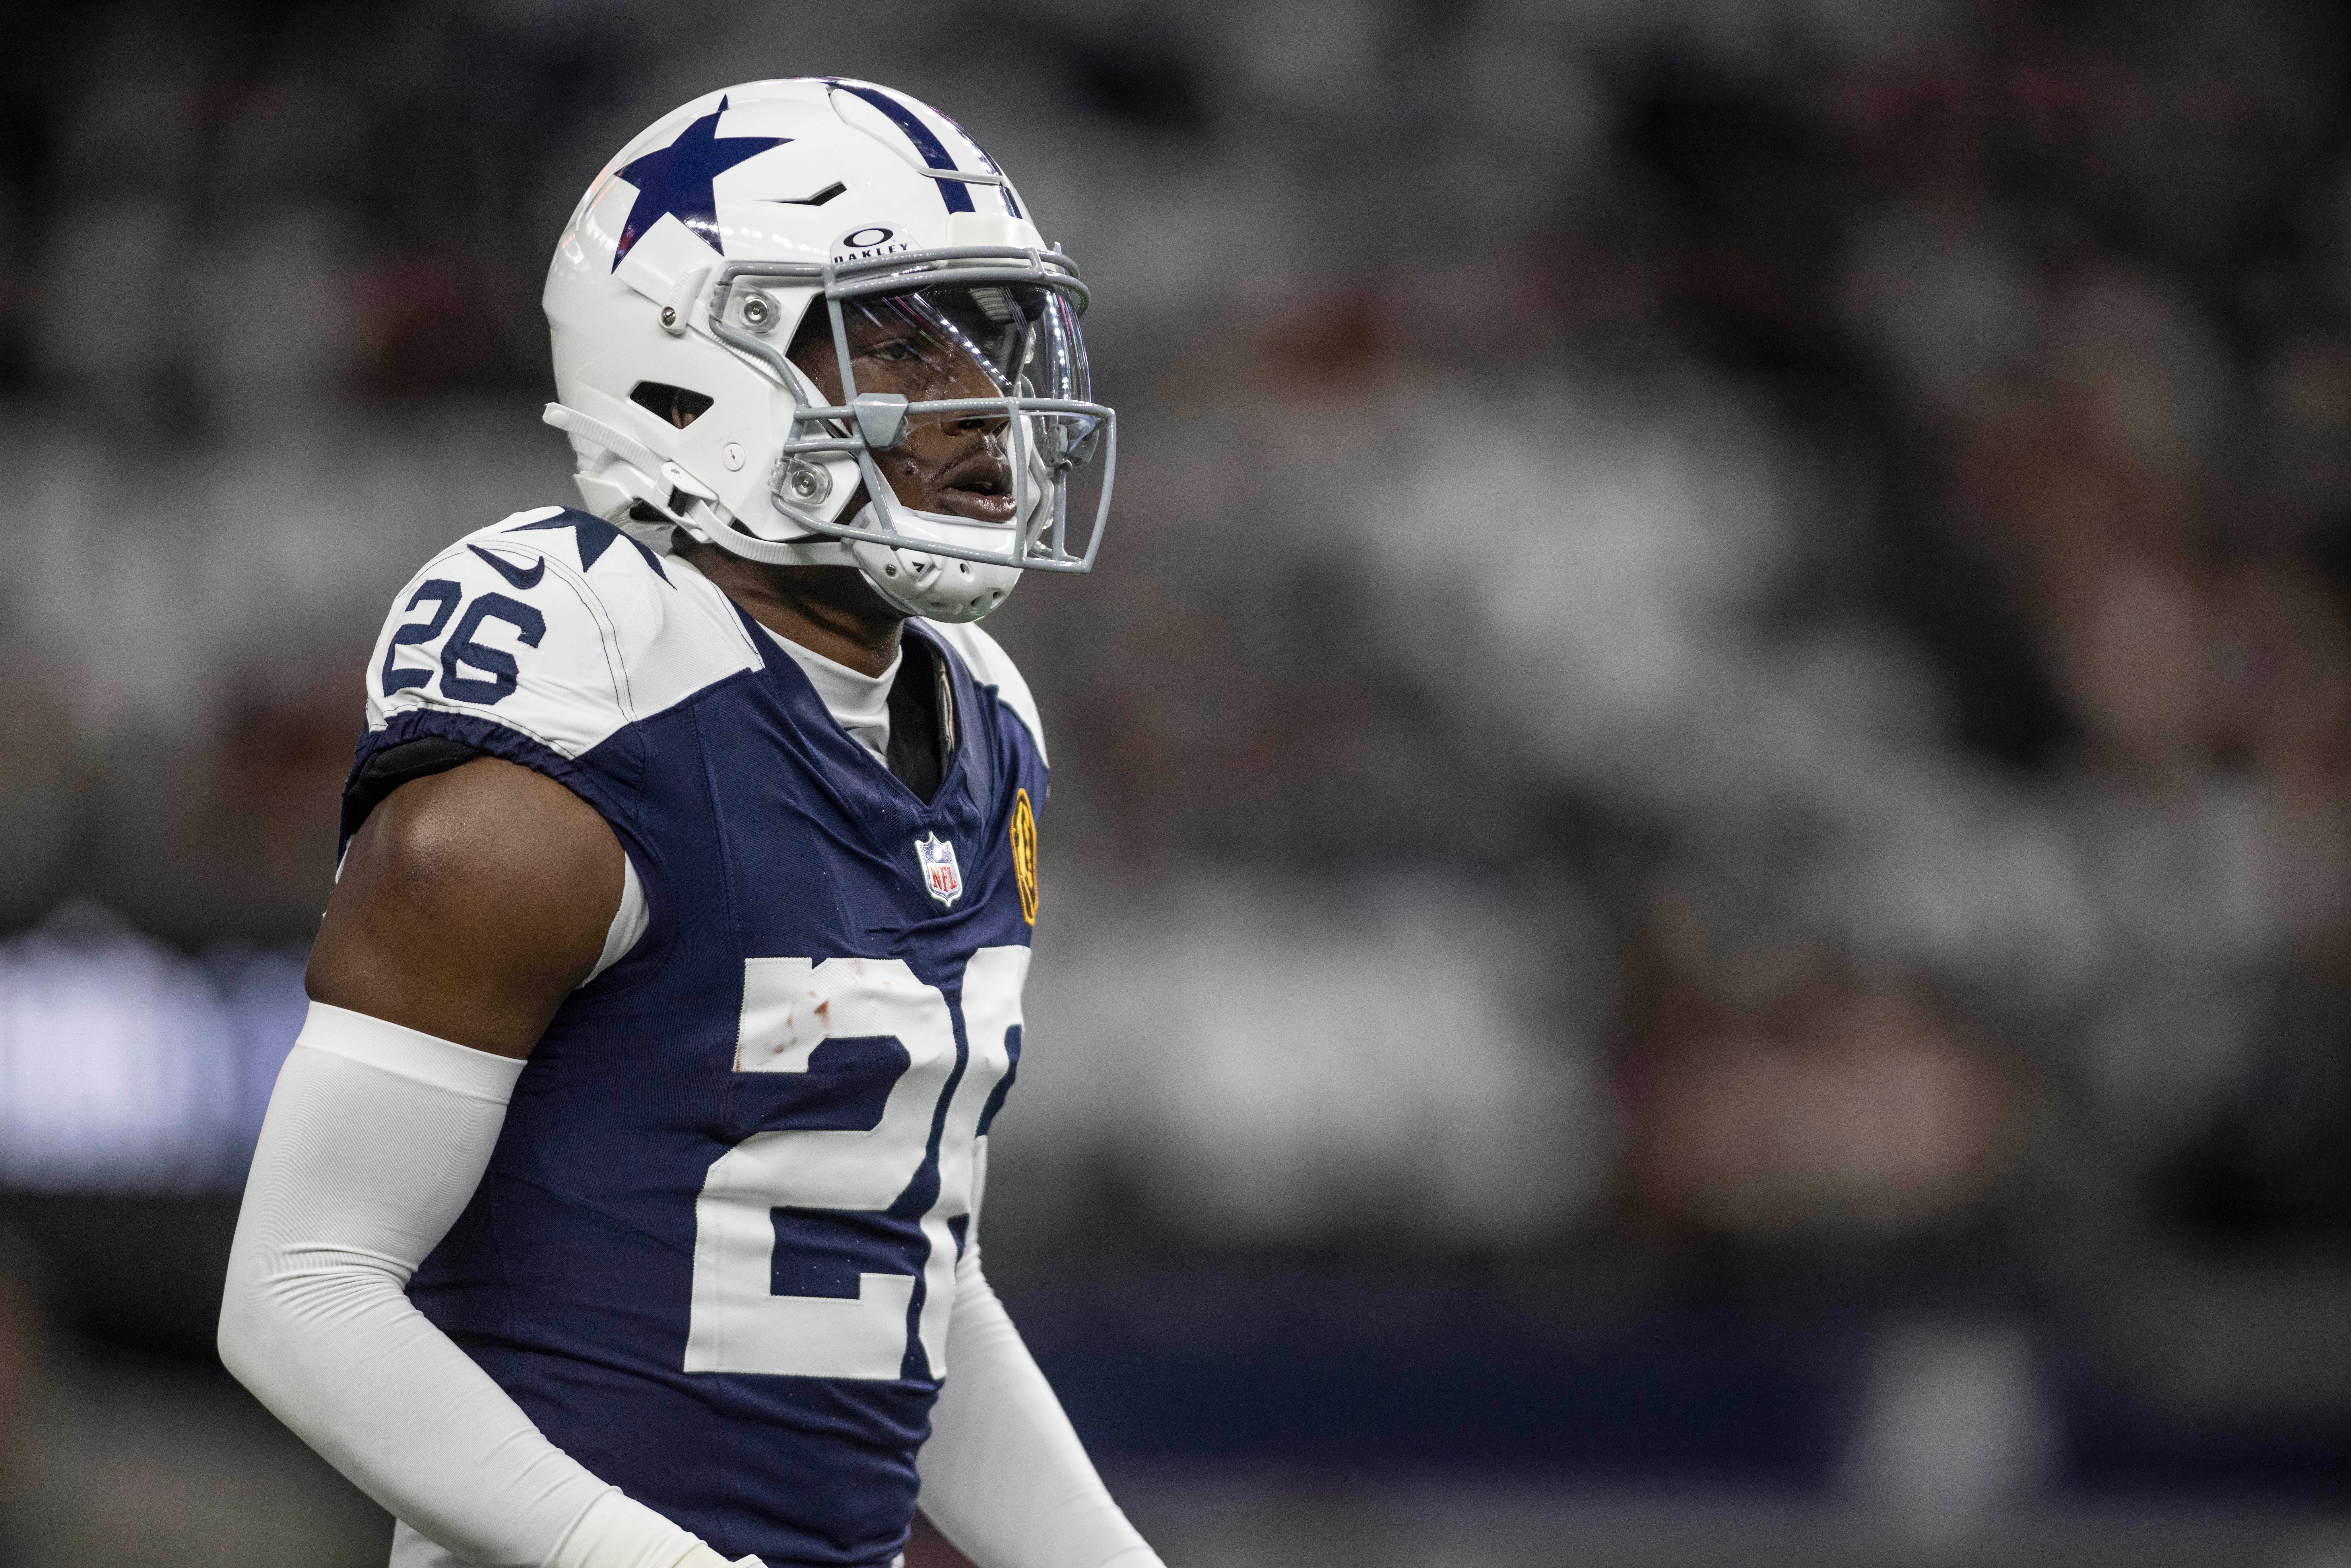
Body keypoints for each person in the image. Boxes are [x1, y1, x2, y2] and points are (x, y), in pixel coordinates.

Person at [217, 77, 1148, 1568]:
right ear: (690, 374)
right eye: (901, 334)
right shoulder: (582, 747)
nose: (985, 397)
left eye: (992, 332)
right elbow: (301, 1288)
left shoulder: (983, 718)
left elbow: (897, 1259)